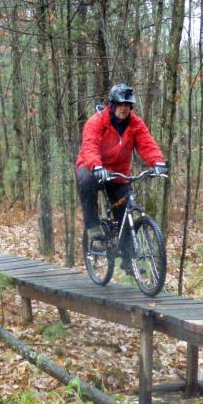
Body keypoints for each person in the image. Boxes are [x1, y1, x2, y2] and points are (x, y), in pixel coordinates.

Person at [75, 82, 167, 273]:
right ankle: (93, 227)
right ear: (112, 104)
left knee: (125, 214)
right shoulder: (96, 122)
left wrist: (157, 162)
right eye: (120, 104)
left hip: (118, 172)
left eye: (128, 105)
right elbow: (90, 145)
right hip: (92, 166)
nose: (124, 108)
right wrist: (96, 166)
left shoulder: (135, 124)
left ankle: (128, 260)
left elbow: (147, 144)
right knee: (86, 181)